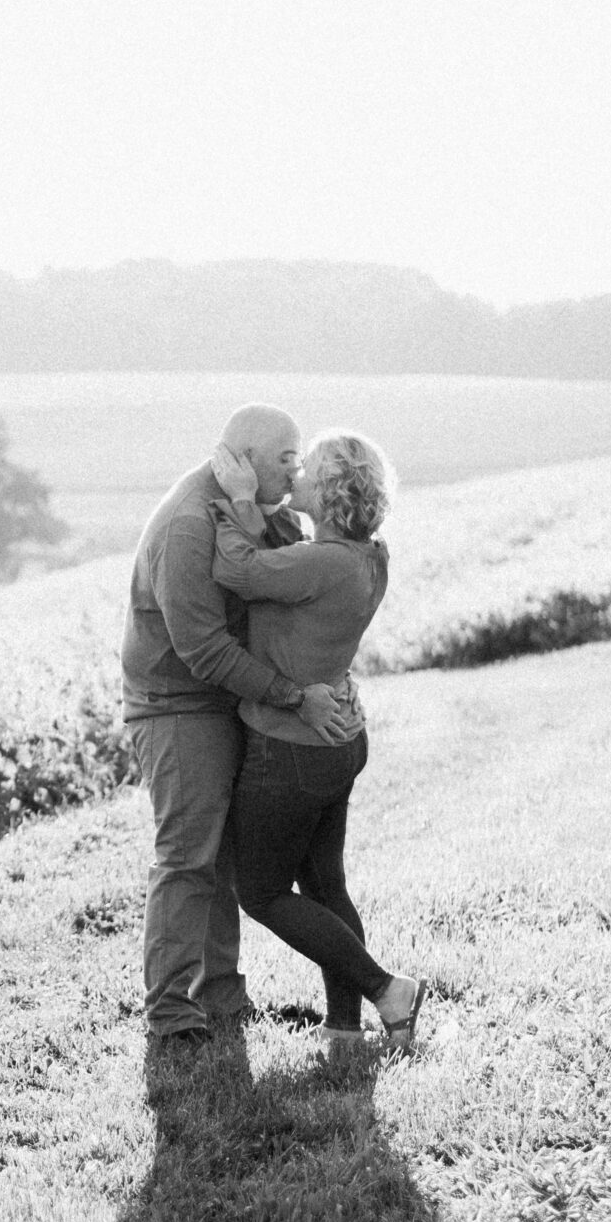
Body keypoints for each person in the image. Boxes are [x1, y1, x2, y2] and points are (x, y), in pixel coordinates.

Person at [122, 404, 361, 1075]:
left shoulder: (238, 503)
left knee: (226, 859)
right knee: (188, 857)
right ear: (247, 459)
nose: (299, 467)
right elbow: (201, 648)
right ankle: (171, 1015)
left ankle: (223, 1000)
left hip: (228, 698)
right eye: (286, 457)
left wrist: (253, 507)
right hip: (177, 705)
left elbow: (288, 561)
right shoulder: (189, 524)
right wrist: (293, 695)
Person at [208, 431, 424, 1051]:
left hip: (291, 748)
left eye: (308, 468)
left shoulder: (320, 562)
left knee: (265, 892)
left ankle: (387, 989)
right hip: (337, 742)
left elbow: (237, 570)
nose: (295, 471)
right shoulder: (366, 556)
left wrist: (241, 503)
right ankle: (345, 1028)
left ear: (328, 492)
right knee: (326, 887)